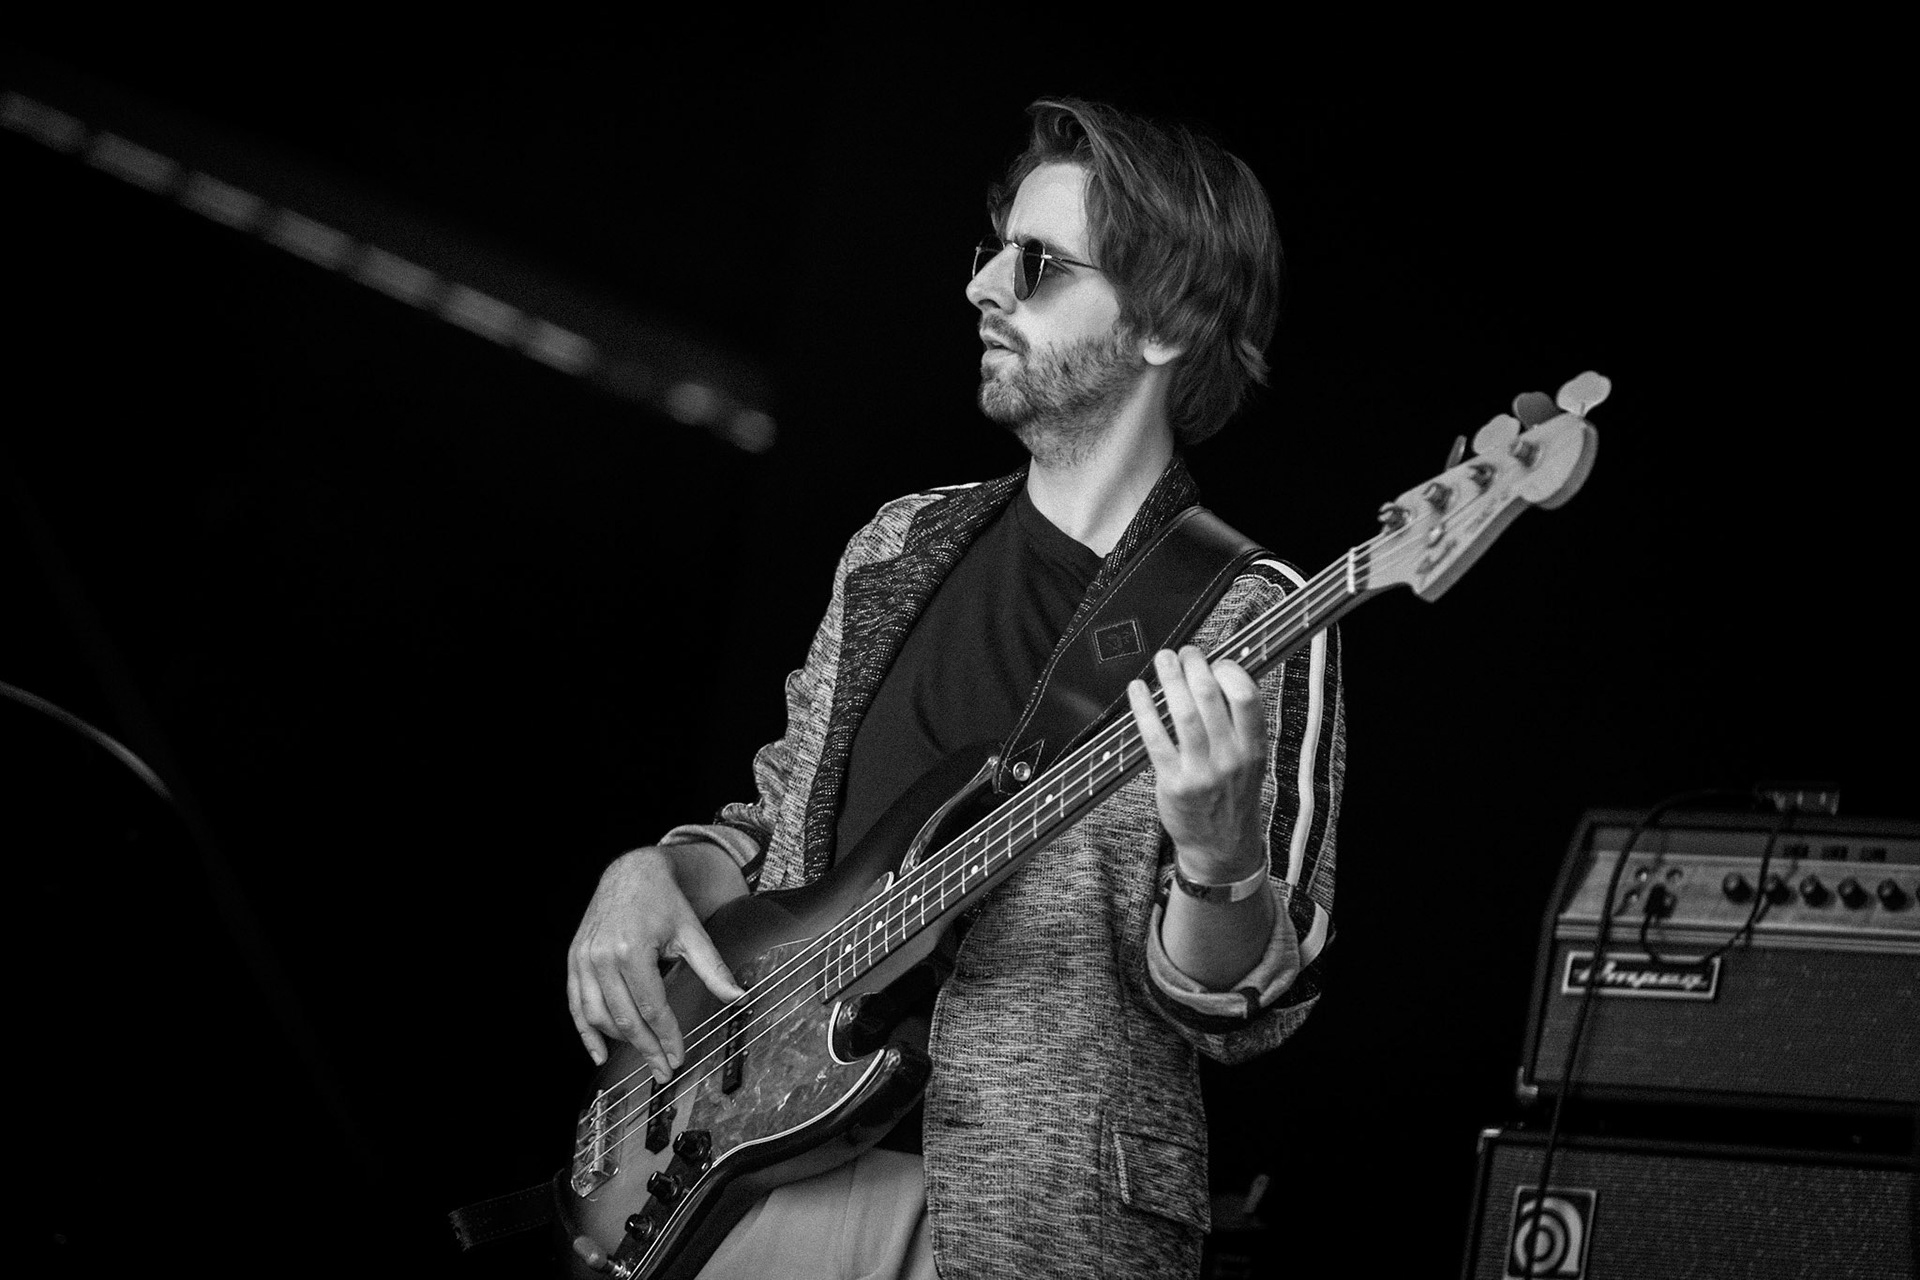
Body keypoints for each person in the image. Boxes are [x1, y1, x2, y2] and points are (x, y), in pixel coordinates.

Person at [566, 97, 1344, 1280]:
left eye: (1033, 265)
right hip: (751, 1179)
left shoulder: (1249, 613)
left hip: (1030, 1214)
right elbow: (776, 836)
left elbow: (1243, 1004)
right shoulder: (897, 547)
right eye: (990, 255)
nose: (984, 286)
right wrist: (653, 872)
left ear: (1165, 321)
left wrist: (1220, 856)